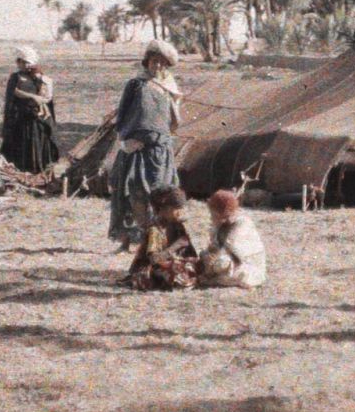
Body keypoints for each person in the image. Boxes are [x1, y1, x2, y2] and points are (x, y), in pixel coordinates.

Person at [108, 39, 182, 252]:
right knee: (133, 193)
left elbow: (174, 122)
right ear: (147, 61)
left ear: (166, 65)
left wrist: (166, 134)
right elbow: (123, 115)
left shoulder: (170, 89)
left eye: (161, 62)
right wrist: (125, 140)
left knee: (159, 196)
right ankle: (126, 241)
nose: (156, 66)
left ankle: (154, 242)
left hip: (160, 151)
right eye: (153, 61)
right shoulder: (136, 84)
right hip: (136, 149)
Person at [121, 186, 199, 291]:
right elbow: (154, 259)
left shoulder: (177, 225)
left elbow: (189, 253)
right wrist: (176, 246)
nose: (180, 213)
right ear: (164, 209)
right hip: (153, 269)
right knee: (174, 269)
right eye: (176, 209)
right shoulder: (155, 229)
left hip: (174, 263)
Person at [0, 47, 58, 173]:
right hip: (21, 119)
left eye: (28, 63)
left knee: (38, 144)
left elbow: (46, 95)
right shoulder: (16, 77)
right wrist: (32, 96)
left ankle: (38, 172)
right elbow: (14, 92)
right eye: (23, 62)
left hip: (36, 118)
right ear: (18, 62)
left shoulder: (37, 76)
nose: (26, 65)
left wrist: (42, 84)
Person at [196, 188, 266, 290]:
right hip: (229, 260)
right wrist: (206, 256)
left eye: (213, 212)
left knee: (220, 263)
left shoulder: (242, 223)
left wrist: (211, 262)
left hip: (248, 265)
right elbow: (214, 247)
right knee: (205, 257)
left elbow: (231, 248)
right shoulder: (219, 225)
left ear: (221, 212)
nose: (211, 216)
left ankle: (218, 280)